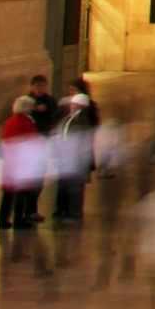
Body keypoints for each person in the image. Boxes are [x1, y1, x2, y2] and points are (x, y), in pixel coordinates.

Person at [52, 82, 101, 221]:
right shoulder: (71, 118)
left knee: (75, 189)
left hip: (76, 160)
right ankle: (63, 210)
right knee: (65, 186)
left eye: (73, 104)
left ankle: (74, 213)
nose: (71, 106)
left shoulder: (81, 121)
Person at [0, 97, 46, 229]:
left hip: (10, 163)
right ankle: (19, 221)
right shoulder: (25, 122)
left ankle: (3, 221)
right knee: (22, 193)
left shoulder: (9, 121)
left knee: (8, 195)